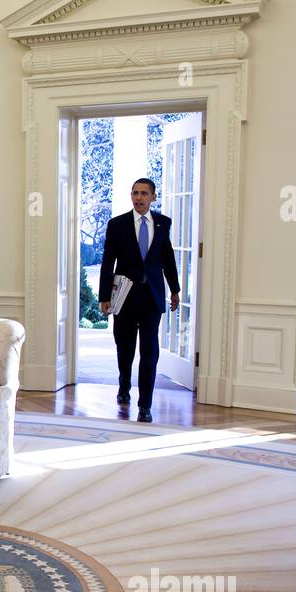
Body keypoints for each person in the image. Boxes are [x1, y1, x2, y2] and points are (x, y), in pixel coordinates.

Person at [99, 178, 180, 423]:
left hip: (152, 298)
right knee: (125, 349)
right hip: (124, 298)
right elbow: (107, 262)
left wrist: (174, 290)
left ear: (153, 196)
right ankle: (124, 385)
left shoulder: (163, 223)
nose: (139, 197)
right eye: (135, 193)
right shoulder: (117, 225)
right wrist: (105, 297)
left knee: (150, 351)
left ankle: (145, 405)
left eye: (144, 193)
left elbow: (167, 258)